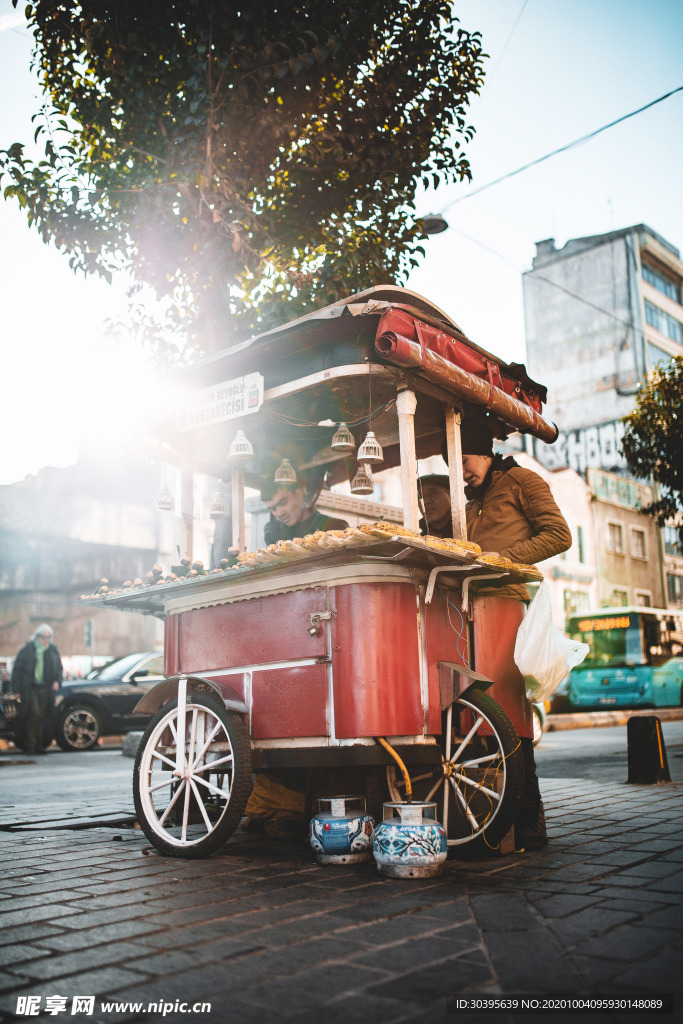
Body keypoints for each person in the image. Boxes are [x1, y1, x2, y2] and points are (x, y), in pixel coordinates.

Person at [460, 417, 572, 850]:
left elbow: (558, 535)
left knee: (514, 719)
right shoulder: (469, 499)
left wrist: (505, 559)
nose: (463, 470)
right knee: (482, 720)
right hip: (470, 610)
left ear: (485, 453)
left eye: (465, 460)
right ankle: (492, 819)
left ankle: (530, 823)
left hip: (510, 608)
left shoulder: (522, 479)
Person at [11, 624, 63, 754]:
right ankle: (30, 745)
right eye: (43, 637)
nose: (45, 640)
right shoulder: (28, 649)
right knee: (34, 714)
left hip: (46, 688)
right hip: (30, 688)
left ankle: (39, 745)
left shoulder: (52, 650)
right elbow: (17, 671)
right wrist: (16, 690)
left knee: (42, 716)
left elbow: (59, 668)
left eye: (48, 637)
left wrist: (58, 681)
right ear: (37, 636)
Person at [260, 477, 348, 545]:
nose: (279, 513)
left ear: (299, 495)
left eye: (283, 503)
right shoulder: (272, 532)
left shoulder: (334, 527)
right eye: (273, 509)